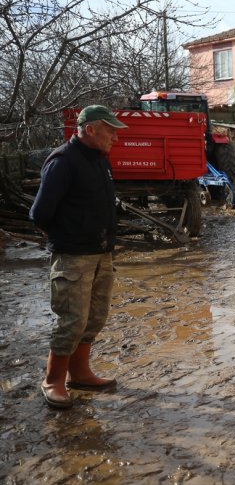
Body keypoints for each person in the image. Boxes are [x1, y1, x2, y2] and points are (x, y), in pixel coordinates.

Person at [30, 105, 127, 409]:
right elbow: (40, 213)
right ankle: (53, 381)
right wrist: (68, 236)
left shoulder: (99, 161)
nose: (115, 136)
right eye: (110, 130)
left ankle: (80, 373)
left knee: (94, 317)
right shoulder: (62, 162)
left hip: (101, 253)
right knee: (71, 320)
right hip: (73, 256)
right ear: (90, 130)